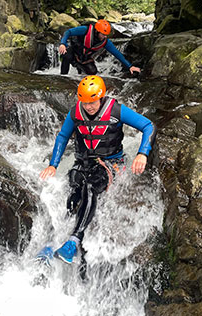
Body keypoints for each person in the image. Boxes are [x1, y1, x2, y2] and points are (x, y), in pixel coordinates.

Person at [39, 75, 156, 264]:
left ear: (101, 97)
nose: (89, 106)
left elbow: (148, 126)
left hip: (110, 162)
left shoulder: (116, 110)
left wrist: (142, 153)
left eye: (92, 102)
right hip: (84, 162)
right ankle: (51, 242)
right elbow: (62, 136)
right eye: (85, 102)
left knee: (91, 188)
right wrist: (53, 164)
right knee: (73, 189)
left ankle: (74, 241)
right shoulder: (75, 112)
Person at [59, 19, 141, 75]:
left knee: (92, 72)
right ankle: (63, 77)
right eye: (103, 34)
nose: (105, 37)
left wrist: (130, 66)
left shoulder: (105, 42)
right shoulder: (85, 29)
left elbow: (117, 54)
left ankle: (78, 68)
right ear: (96, 31)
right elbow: (68, 32)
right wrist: (63, 43)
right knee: (67, 55)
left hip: (84, 58)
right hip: (73, 51)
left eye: (106, 35)